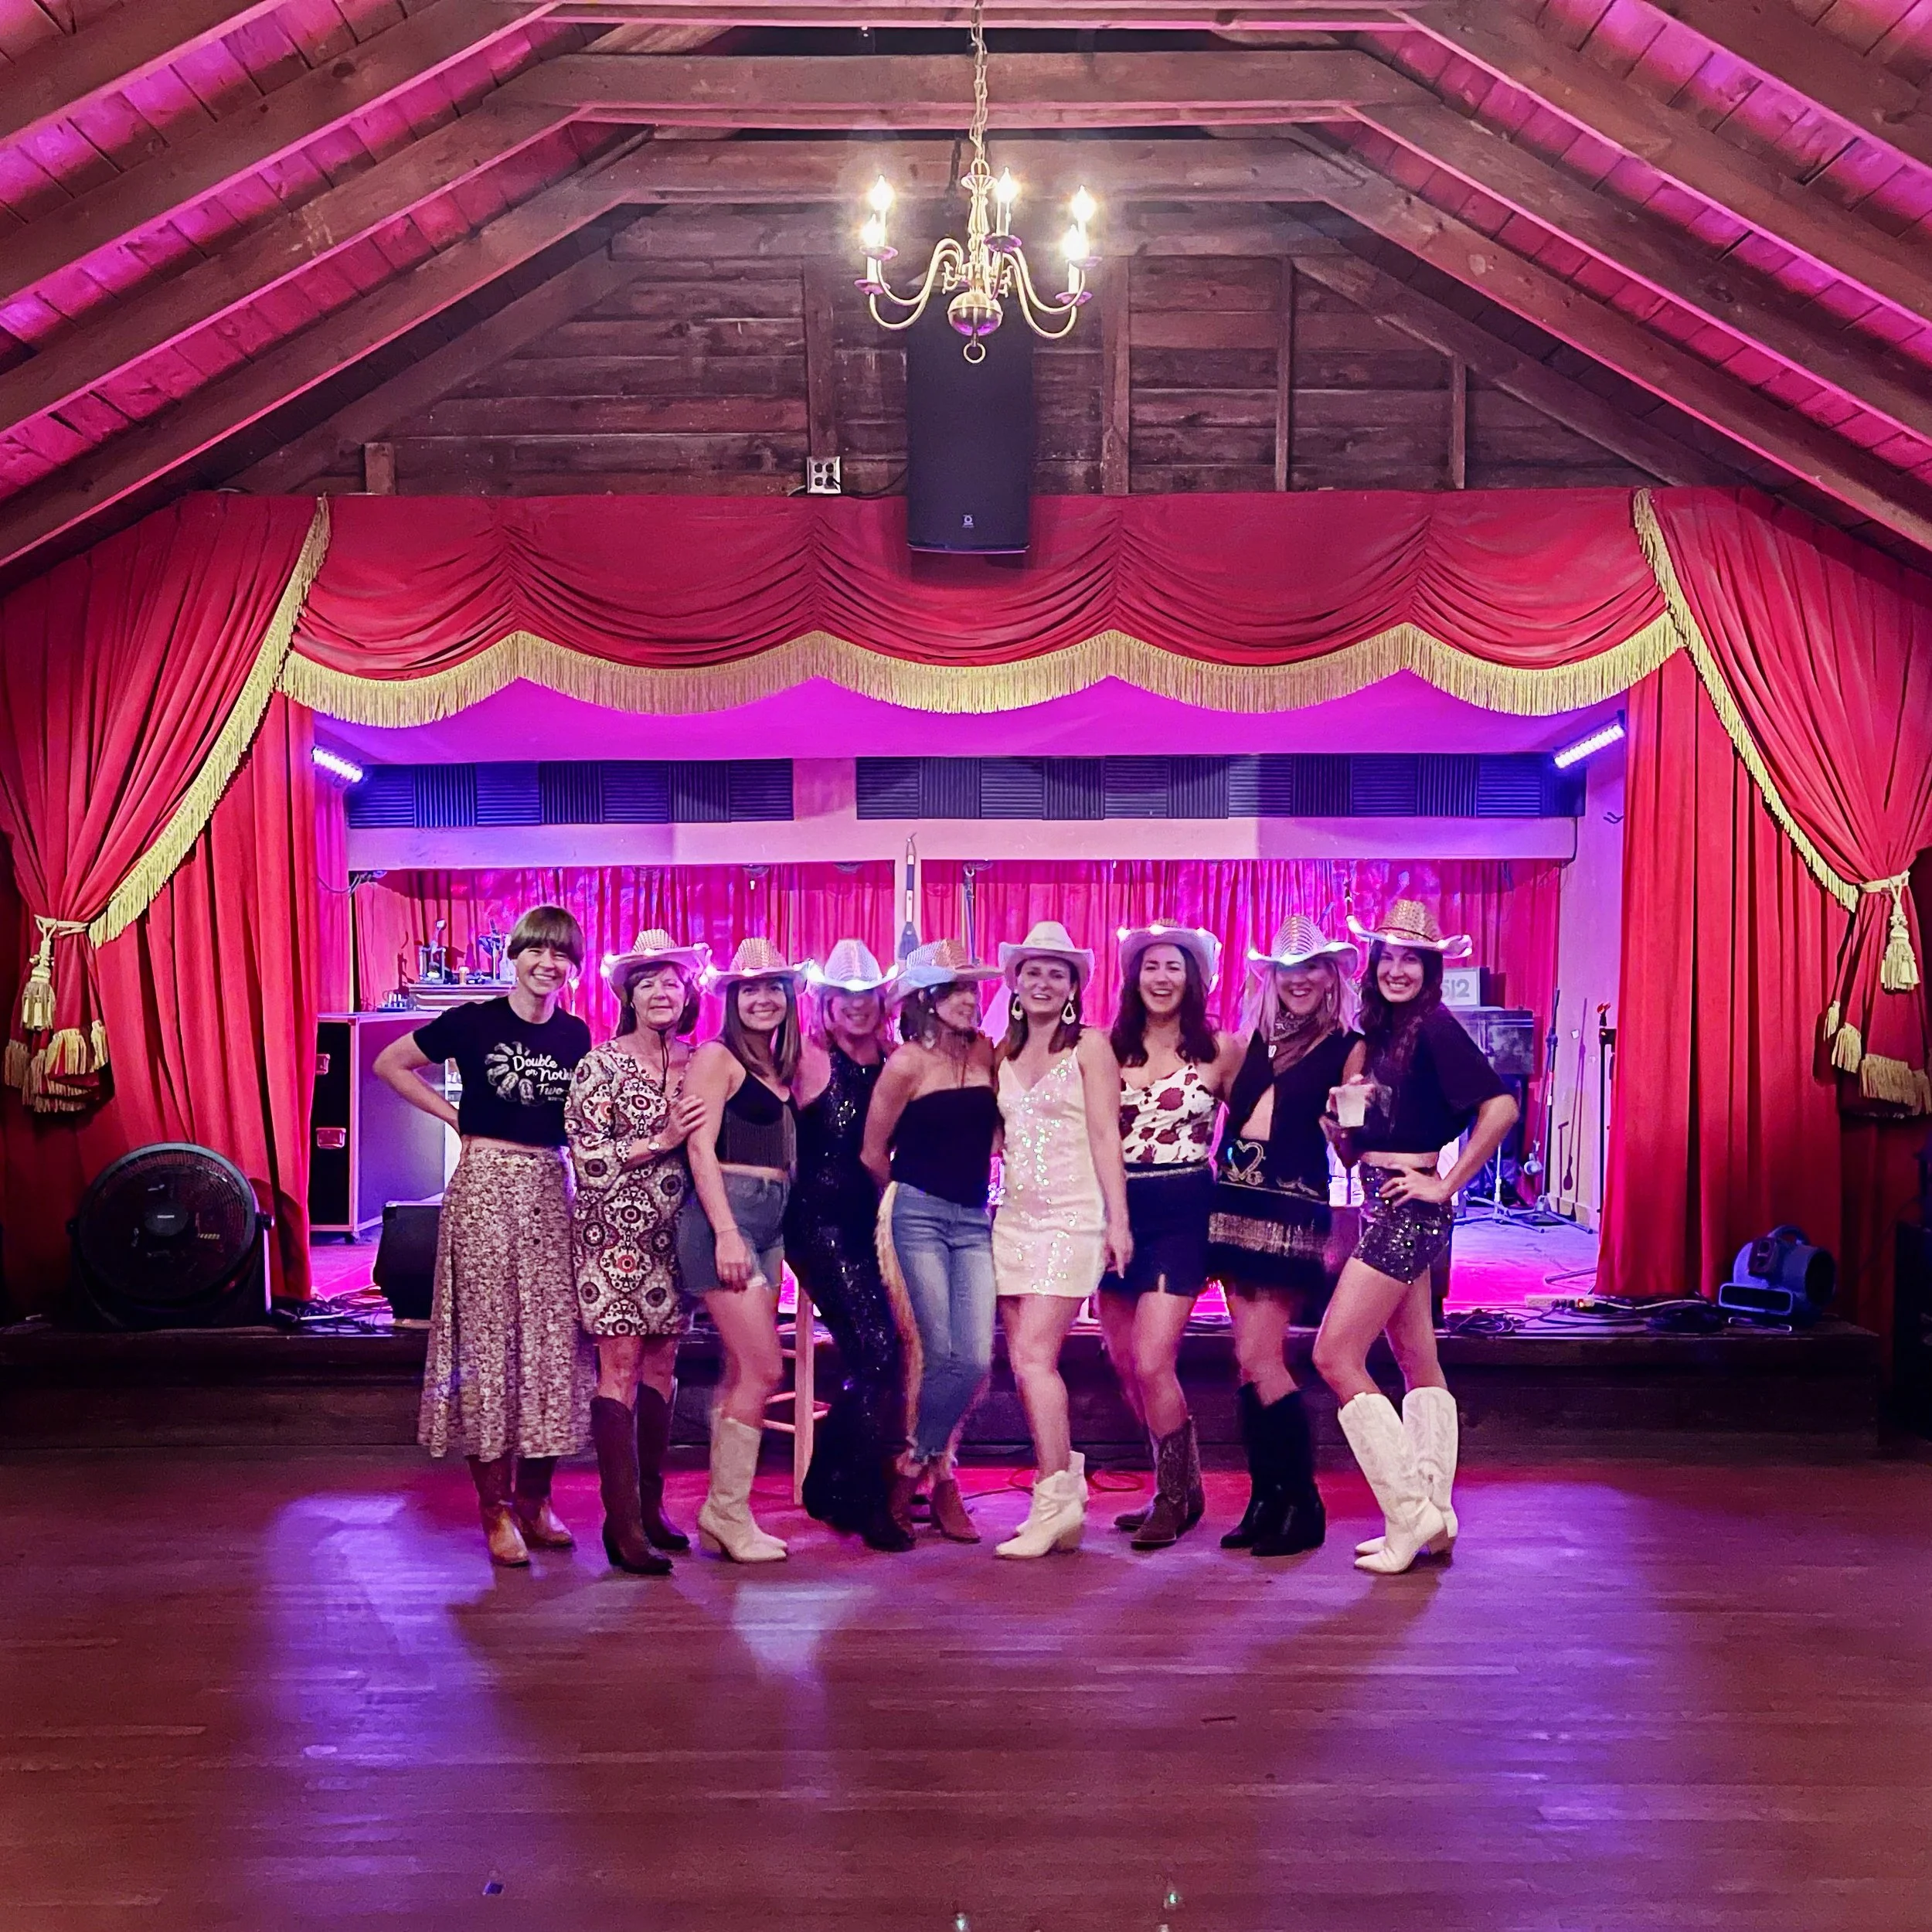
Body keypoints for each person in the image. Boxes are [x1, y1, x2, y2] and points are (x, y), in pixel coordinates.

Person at [372, 905, 594, 1567]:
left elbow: (580, 1122)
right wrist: (455, 1118)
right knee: (489, 1342)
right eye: (537, 951)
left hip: (551, 1186)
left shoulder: (577, 1033)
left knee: (552, 1342)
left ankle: (536, 1496)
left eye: (561, 955)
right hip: (486, 1181)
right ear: (516, 955)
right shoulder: (473, 1021)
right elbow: (389, 1063)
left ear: (573, 968)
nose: (547, 964)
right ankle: (493, 1506)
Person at [1314, 900, 1518, 1576]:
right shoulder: (1379, 1036)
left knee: (1335, 1354)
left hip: (1410, 1205)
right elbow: (1361, 1151)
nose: (1397, 969)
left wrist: (1447, 1182)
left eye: (1411, 959)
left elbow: (1501, 1106)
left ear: (1430, 969)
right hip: (1381, 1197)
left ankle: (1408, 1512)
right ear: (1373, 967)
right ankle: (1435, 1510)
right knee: (1414, 1358)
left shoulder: (1434, 1027)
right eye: (1388, 958)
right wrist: (1343, 1134)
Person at [1202, 917, 1362, 1559]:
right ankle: (1264, 1498)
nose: (1298, 980)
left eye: (1312, 968)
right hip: (1233, 1203)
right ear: (1270, 978)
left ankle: (1303, 1501)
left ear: (1331, 978)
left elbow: (1351, 1149)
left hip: (1292, 1208)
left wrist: (1350, 1126)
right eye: (1286, 969)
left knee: (1264, 1358)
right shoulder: (1250, 1043)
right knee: (1247, 1360)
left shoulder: (1346, 1046)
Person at [565, 930, 709, 1577]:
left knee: (663, 1365)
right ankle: (621, 1526)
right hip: (614, 1240)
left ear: (688, 993)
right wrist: (661, 1139)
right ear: (627, 993)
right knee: (619, 1368)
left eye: (671, 981)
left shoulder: (700, 1060)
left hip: (679, 1238)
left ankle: (651, 1511)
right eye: (647, 981)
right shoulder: (600, 1063)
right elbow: (588, 1160)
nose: (660, 991)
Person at [988, 920, 1131, 1560]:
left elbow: (1106, 1136)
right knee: (1023, 1363)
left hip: (1072, 1218)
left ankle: (1057, 1499)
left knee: (1034, 1360)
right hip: (1013, 1219)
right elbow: (997, 1137)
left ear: (1073, 986)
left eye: (1056, 972)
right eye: (1033, 971)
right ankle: (1059, 1494)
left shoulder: (1090, 1047)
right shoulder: (1000, 1052)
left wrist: (1118, 1220)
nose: (1042, 981)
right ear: (1016, 983)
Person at [1099, 923, 1243, 1551]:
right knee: (1127, 1365)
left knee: (1155, 1359)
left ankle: (1175, 1495)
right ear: (1135, 977)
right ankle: (1178, 1483)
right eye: (1151, 966)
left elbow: (1254, 1127)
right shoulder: (1106, 1049)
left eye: (1174, 968)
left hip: (1183, 1208)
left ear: (1194, 980)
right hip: (1113, 1212)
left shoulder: (1221, 1051)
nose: (1161, 977)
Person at [862, 940, 1004, 1546]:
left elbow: (999, 1135)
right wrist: (909, 1200)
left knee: (973, 1359)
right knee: (935, 1351)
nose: (969, 1000)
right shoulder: (907, 1064)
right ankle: (941, 1482)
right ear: (927, 1000)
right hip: (916, 1212)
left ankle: (911, 1467)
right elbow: (873, 1152)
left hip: (973, 1217)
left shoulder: (989, 1053)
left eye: (972, 989)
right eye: (954, 991)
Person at [677, 937, 806, 1564]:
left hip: (770, 1217)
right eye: (749, 989)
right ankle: (727, 1511)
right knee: (764, 1369)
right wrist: (727, 1230)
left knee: (739, 1371)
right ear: (731, 999)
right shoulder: (716, 1055)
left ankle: (724, 1515)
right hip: (726, 1214)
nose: (762, 998)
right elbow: (698, 1148)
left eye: (772, 988)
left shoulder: (775, 1068)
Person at [788, 939, 913, 1554]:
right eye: (845, 995)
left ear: (883, 1000)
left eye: (867, 995)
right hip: (820, 1225)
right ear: (825, 1002)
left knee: (886, 1355)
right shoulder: (809, 1059)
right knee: (878, 1352)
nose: (857, 1005)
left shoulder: (898, 1059)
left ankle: (833, 1482)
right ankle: (860, 1497)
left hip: (882, 1227)